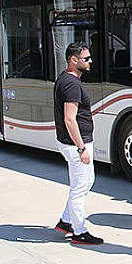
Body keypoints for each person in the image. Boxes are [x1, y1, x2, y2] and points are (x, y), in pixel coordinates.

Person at [53, 42, 103, 245]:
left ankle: (66, 221)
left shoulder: (66, 80)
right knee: (80, 188)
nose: (90, 61)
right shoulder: (72, 84)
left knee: (86, 181)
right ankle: (79, 231)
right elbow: (69, 119)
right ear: (74, 60)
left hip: (74, 143)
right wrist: (81, 147)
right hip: (76, 144)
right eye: (87, 58)